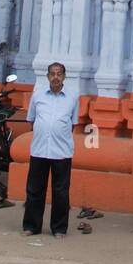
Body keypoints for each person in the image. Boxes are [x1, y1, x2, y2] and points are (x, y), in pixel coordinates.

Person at [23, 62, 79, 238]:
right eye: (52, 74)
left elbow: (73, 123)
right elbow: (31, 120)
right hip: (39, 150)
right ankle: (31, 226)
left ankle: (59, 228)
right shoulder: (38, 96)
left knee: (61, 192)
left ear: (64, 77)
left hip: (62, 152)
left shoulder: (72, 98)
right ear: (47, 76)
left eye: (59, 74)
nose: (56, 77)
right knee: (34, 190)